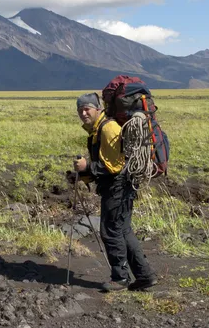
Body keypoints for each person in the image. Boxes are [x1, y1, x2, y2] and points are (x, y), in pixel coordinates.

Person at [69, 92, 157, 292]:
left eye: (87, 109)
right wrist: (85, 172)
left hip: (117, 187)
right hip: (122, 186)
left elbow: (114, 166)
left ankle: (120, 278)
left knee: (110, 232)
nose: (83, 113)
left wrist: (86, 167)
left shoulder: (107, 128)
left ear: (98, 108)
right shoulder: (97, 130)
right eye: (80, 110)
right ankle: (145, 276)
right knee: (123, 231)